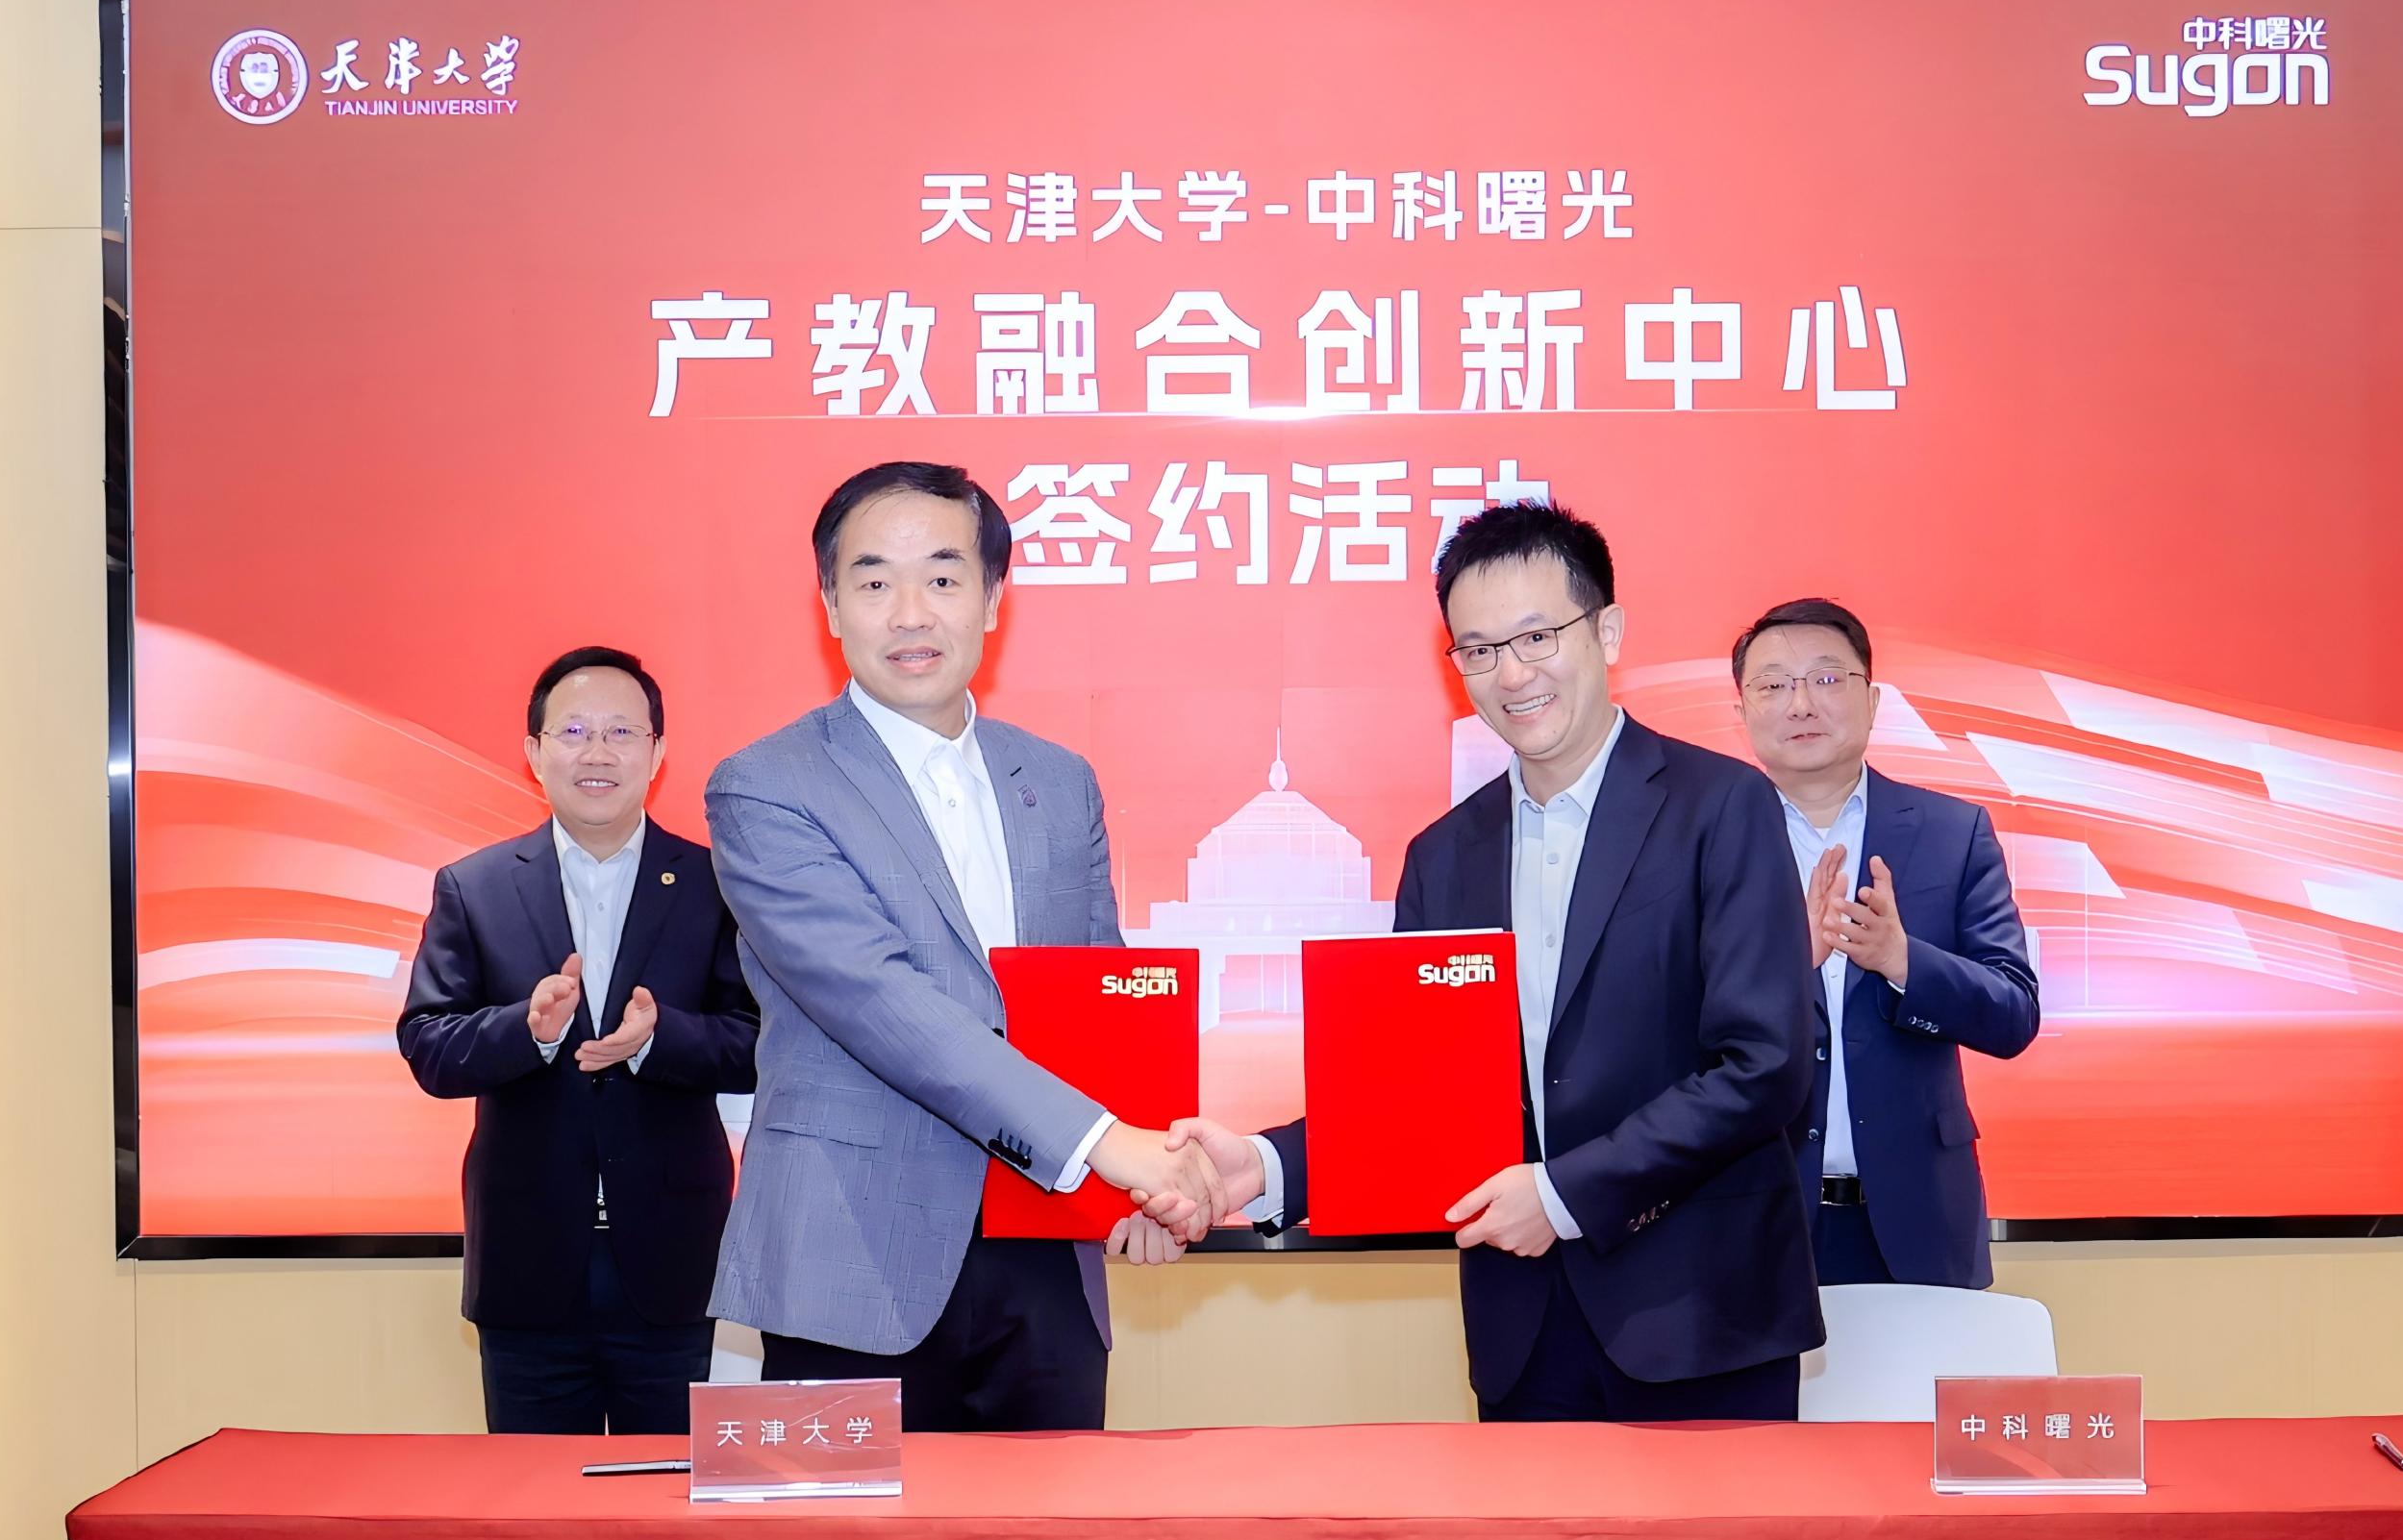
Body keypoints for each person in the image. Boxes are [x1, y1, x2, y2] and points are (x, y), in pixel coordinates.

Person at [1170, 501, 1823, 1420]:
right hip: (1525, 1328)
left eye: (1536, 636)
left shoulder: (1721, 808)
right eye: (1476, 649)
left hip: (1701, 1316)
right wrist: (1265, 1165)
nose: (1511, 674)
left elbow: (1764, 1065)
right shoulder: (1443, 856)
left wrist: (1561, 1194)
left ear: (1607, 632)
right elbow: (1413, 1094)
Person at [702, 461, 1223, 1431]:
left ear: (991, 599)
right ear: (830, 606)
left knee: (1055, 1531)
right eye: (873, 581)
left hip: (1049, 1253)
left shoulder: (1058, 780)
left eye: (943, 577)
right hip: (850, 1264)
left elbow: (1102, 997)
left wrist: (1135, 1191)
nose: (911, 612)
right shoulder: (766, 785)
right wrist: (1110, 1146)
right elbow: (879, 1001)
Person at [398, 645, 759, 1433]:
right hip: (526, 1265)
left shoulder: (717, 885)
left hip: (672, 1264)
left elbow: (757, 1043)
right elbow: (427, 1043)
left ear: (657, 754)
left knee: (666, 1498)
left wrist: (656, 1041)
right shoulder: (474, 886)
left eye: (621, 732)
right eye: (573, 731)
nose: (597, 752)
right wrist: (523, 1031)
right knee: (530, 1500)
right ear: (534, 752)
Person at [1730, 597, 2043, 1289]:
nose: (1801, 703)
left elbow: (2013, 1013)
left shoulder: (1952, 833)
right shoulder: (1700, 843)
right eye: (1773, 684)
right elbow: (1662, 1033)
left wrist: (1902, 962)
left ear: (1872, 700)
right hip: (1750, 1219)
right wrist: (1787, 971)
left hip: (1919, 1222)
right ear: (1742, 710)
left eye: (1826, 678)